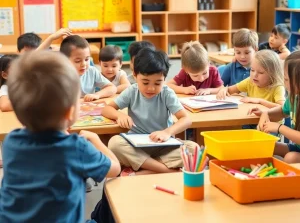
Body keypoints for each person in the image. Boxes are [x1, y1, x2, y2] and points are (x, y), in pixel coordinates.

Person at [0, 50, 120, 222]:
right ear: (70, 112)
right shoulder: (76, 147)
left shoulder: (11, 141)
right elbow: (115, 169)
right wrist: (94, 139)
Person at [102, 48, 198, 176]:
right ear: (135, 76)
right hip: (137, 146)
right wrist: (119, 115)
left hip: (164, 146)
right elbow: (107, 109)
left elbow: (186, 119)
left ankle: (143, 170)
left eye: (158, 83)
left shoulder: (167, 93)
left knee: (194, 148)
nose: (151, 88)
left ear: (164, 78)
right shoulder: (132, 91)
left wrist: (166, 132)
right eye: (145, 82)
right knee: (114, 143)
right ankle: (165, 170)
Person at [249, 51, 300, 163]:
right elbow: (282, 111)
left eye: (286, 79)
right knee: (263, 146)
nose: (283, 82)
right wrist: (266, 113)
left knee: (290, 158)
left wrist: (279, 127)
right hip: (297, 147)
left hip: (296, 149)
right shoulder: (294, 97)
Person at [217, 50, 286, 128]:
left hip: (270, 125)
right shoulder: (250, 81)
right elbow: (230, 90)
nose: (254, 75)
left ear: (272, 74)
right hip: (251, 121)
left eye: (260, 72)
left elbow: (283, 109)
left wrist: (260, 101)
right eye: (252, 70)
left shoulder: (277, 87)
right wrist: (224, 89)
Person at [60, 35, 117, 101]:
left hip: (90, 108)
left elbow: (112, 88)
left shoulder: (92, 71)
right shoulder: (61, 75)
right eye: (78, 61)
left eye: (87, 59)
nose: (84, 64)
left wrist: (97, 95)